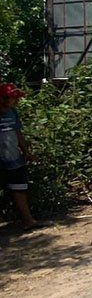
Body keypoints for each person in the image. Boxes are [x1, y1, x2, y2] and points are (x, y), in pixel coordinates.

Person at [0, 83, 45, 232]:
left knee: (19, 188)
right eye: (13, 98)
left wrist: (26, 152)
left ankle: (28, 220)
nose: (16, 101)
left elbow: (17, 133)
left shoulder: (12, 112)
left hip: (13, 157)